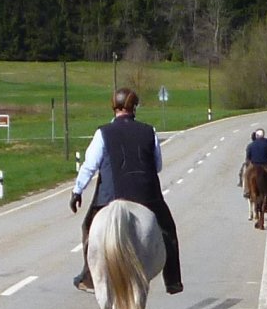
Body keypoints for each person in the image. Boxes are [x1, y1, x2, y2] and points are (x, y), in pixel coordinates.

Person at [69, 87, 183, 295]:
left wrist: (77, 191)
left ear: (114, 107)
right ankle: (173, 279)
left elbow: (89, 166)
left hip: (110, 196)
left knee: (88, 228)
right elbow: (157, 166)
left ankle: (89, 276)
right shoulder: (149, 131)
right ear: (134, 108)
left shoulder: (102, 133)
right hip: (146, 196)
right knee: (168, 229)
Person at [243, 128, 267, 197]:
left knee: (246, 175)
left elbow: (248, 156)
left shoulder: (251, 144)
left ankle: (247, 190)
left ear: (256, 136)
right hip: (265, 164)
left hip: (254, 164)